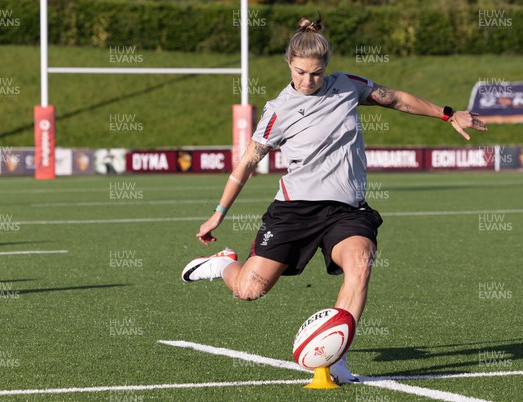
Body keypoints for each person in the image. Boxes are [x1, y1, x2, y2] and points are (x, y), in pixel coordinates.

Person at [181, 15, 487, 383]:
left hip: (347, 211)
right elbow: (246, 162)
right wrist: (218, 213)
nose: (308, 80)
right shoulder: (278, 110)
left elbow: (396, 99)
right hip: (294, 211)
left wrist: (448, 114)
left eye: (316, 72)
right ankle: (222, 264)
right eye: (300, 72)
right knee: (250, 290)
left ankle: (337, 360)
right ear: (289, 64)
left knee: (360, 266)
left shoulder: (347, 86)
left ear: (326, 66)